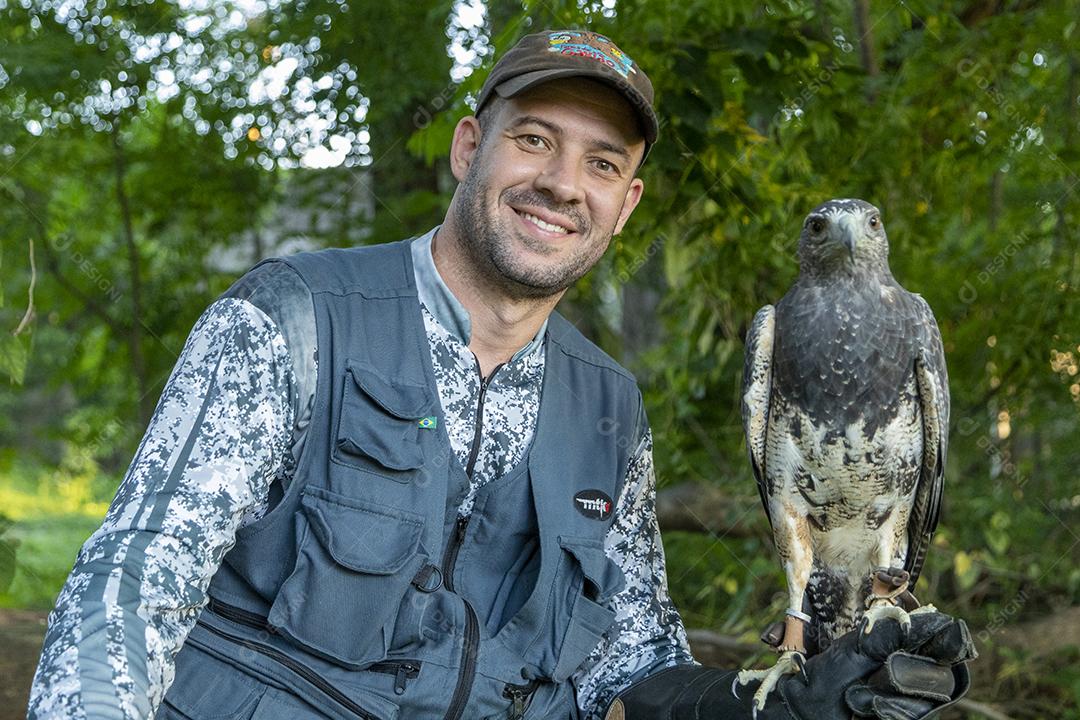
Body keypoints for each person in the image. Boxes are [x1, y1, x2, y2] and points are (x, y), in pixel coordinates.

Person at [28, 29, 974, 720]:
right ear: (469, 147)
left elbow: (631, 664)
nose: (565, 183)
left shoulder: (608, 411)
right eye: (534, 140)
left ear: (625, 204)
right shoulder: (293, 320)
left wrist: (783, 703)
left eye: (602, 163)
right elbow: (133, 582)